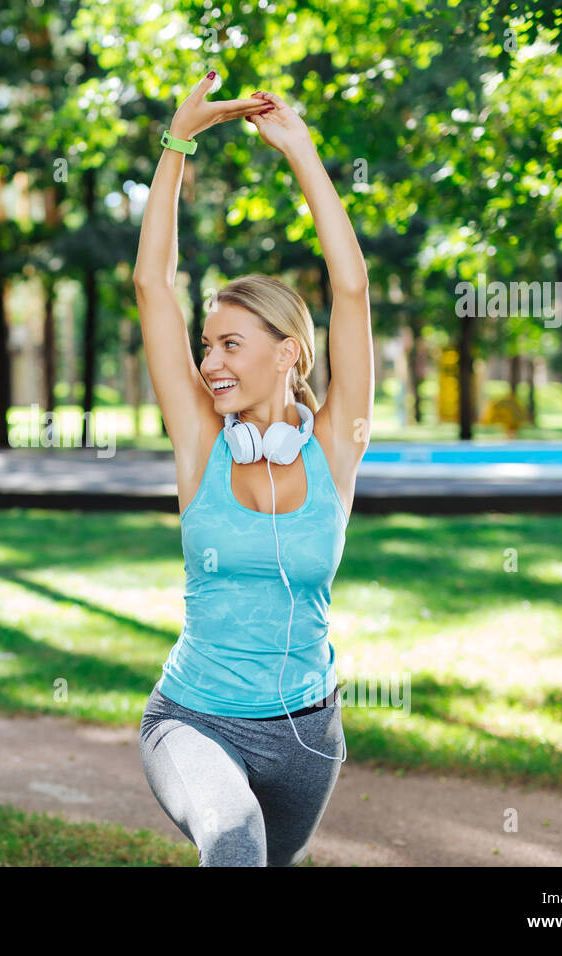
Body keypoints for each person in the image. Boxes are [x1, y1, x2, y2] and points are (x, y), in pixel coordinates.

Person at [132, 72, 373, 866]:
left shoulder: (336, 447)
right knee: (232, 841)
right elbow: (150, 285)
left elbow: (352, 289)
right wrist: (176, 141)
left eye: (230, 344)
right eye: (206, 346)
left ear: (288, 354)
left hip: (308, 734)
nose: (209, 363)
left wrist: (300, 149)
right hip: (192, 717)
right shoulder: (202, 442)